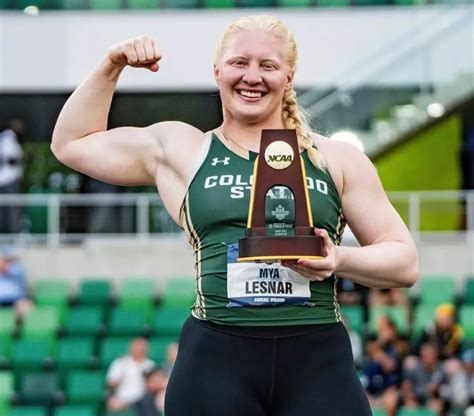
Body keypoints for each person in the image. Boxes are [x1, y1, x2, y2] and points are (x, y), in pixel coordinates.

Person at [51, 15, 419, 415]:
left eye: (268, 66)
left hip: (317, 359)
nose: (252, 76)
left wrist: (339, 258)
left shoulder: (336, 159)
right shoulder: (184, 149)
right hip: (216, 358)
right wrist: (112, 64)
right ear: (217, 72)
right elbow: (72, 143)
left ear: (289, 78)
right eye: (239, 63)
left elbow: (404, 261)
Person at [106, 337, 156, 412]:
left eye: (142, 346)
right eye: (137, 346)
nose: (139, 349)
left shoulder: (150, 364)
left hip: (141, 400)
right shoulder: (120, 362)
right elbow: (110, 384)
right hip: (121, 399)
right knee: (113, 403)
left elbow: (153, 387)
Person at [0, 119, 25, 234]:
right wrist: (24, 158)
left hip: (6, 179)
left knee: (8, 207)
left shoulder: (7, 138)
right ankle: (14, 235)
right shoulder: (8, 138)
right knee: (12, 208)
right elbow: (10, 159)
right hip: (8, 179)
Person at [0, 246, 33, 319]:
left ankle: (18, 325)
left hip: (16, 299)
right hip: (1, 299)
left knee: (26, 308)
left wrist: (3, 263)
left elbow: (5, 268)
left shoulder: (17, 268)